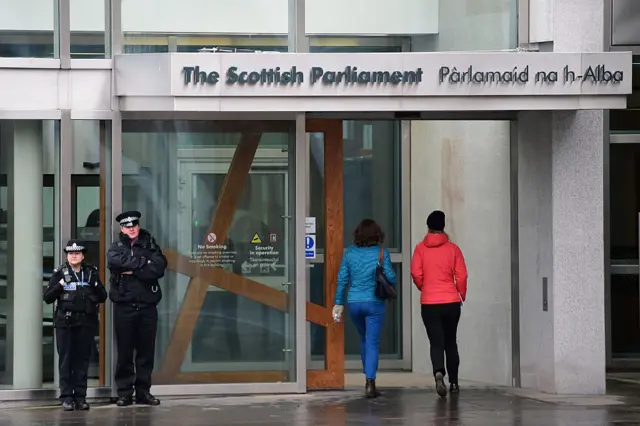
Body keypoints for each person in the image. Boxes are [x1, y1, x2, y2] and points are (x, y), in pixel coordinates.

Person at [107, 210, 167, 407]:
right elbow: (114, 262)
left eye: (133, 225)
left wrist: (132, 269)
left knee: (145, 352)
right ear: (122, 229)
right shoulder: (116, 247)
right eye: (127, 226)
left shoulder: (150, 245)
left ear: (138, 226)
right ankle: (124, 393)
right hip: (124, 306)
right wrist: (143, 265)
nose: (131, 229)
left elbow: (159, 268)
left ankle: (143, 392)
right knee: (125, 353)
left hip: (147, 306)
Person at [332, 219, 396, 398]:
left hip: (354, 303)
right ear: (377, 235)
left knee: (363, 338)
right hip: (374, 303)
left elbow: (342, 280)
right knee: (372, 342)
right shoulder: (382, 253)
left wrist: (338, 303)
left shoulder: (350, 253)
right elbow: (391, 278)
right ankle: (370, 382)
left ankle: (366, 374)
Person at [43, 240, 107, 411]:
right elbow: (48, 297)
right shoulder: (60, 272)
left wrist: (95, 284)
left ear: (82, 256)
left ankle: (80, 397)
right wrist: (60, 285)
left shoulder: (91, 272)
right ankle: (66, 397)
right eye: (71, 253)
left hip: (85, 322)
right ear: (67, 256)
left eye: (77, 253)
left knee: (82, 360)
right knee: (66, 360)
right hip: (65, 322)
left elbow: (103, 296)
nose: (74, 256)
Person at [410, 210, 468, 398]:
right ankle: (454, 383)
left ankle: (438, 372)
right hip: (451, 302)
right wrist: (461, 294)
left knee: (436, 342)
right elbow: (462, 275)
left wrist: (424, 287)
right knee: (451, 341)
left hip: (429, 303)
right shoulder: (453, 249)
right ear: (444, 227)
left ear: (428, 227)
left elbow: (416, 273)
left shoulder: (420, 249)